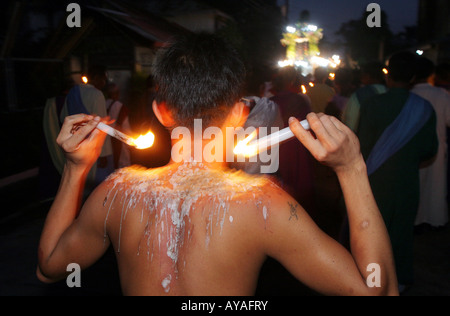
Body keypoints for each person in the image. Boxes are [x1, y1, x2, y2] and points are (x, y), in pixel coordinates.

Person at [37, 33, 398, 296]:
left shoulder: (117, 192)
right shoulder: (261, 205)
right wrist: (352, 170)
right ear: (241, 113)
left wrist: (74, 168)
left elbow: (49, 268)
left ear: (160, 110)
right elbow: (374, 290)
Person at [356, 51, 438, 291]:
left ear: (388, 76)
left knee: (370, 230)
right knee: (400, 232)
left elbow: (360, 145)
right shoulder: (423, 108)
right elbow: (429, 148)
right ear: (413, 77)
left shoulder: (372, 104)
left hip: (373, 180)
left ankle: (367, 278)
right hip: (406, 181)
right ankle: (398, 281)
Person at [60, 65, 115, 191]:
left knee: (80, 187)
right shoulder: (96, 94)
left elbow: (64, 117)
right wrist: (104, 155)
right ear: (96, 78)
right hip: (94, 148)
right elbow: (102, 126)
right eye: (103, 79)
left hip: (76, 146)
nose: (104, 83)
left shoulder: (72, 92)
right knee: (100, 188)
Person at [270, 66, 316, 216]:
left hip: (275, 151)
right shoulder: (300, 100)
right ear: (292, 80)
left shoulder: (269, 102)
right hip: (296, 149)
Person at [412, 57, 450, 229]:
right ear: (431, 74)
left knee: (416, 185)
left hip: (412, 148)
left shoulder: (410, 94)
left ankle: (415, 220)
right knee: (435, 186)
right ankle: (433, 219)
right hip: (437, 146)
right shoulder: (442, 95)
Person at [342, 62, 387, 132]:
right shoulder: (389, 92)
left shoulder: (359, 95)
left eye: (362, 74)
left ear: (367, 75)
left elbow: (350, 124)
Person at [105, 83, 132, 169]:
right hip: (119, 143)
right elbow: (126, 129)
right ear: (116, 93)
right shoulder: (120, 107)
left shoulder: (102, 104)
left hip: (104, 144)